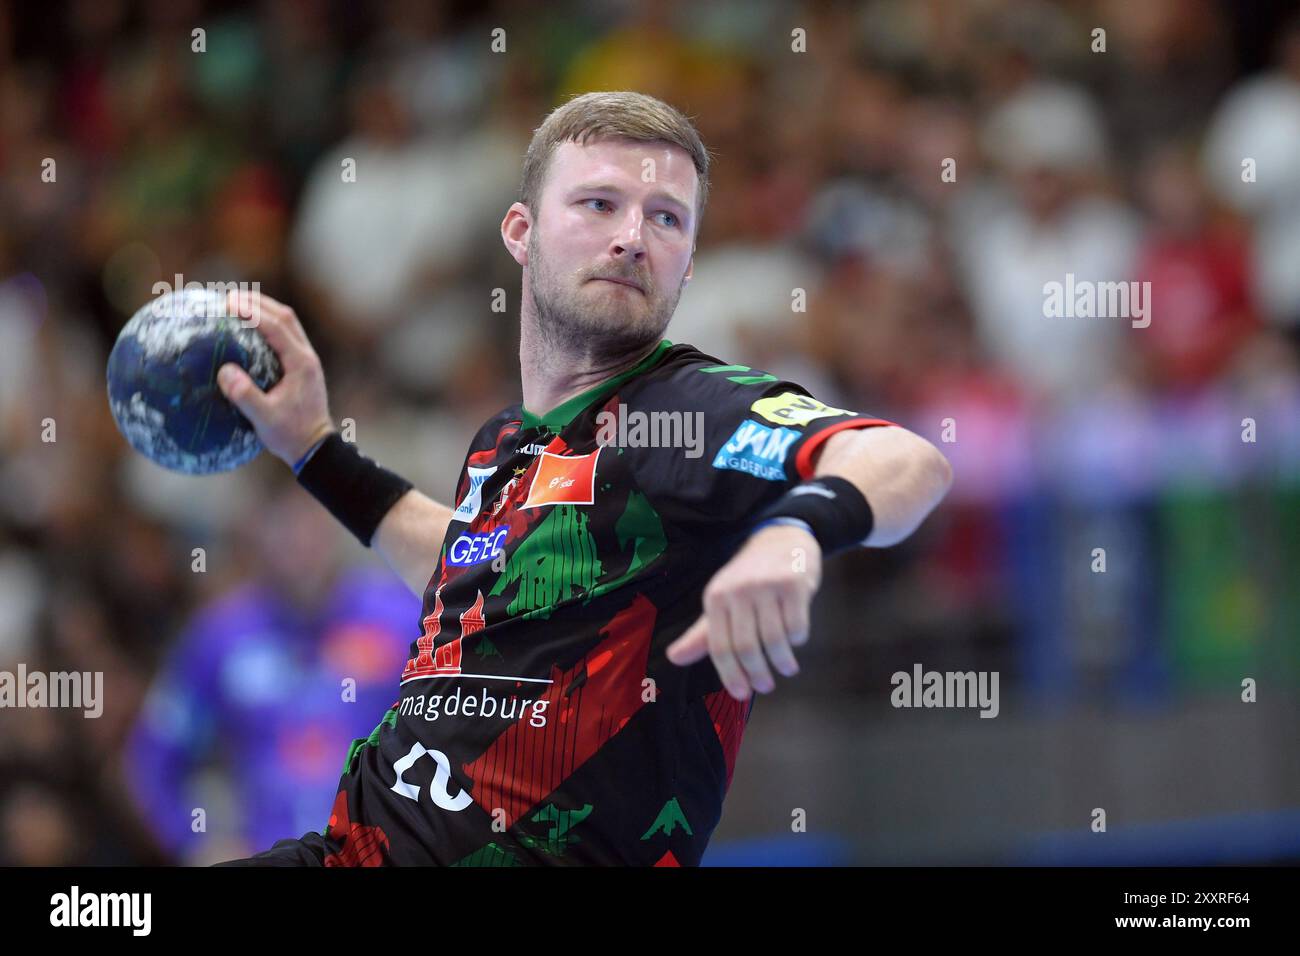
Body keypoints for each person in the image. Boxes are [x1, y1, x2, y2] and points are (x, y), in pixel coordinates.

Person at [211, 91, 953, 866]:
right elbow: (469, 571)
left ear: (689, 264)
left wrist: (795, 533)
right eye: (600, 204)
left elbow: (906, 462)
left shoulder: (692, 411)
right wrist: (314, 449)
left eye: (666, 218)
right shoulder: (501, 440)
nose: (633, 238)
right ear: (521, 232)